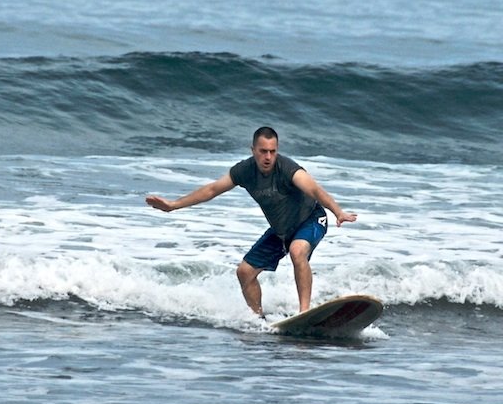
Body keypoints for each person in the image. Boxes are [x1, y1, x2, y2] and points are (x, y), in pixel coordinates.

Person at [145, 127, 356, 317]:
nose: (268, 157)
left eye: (272, 151)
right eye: (263, 151)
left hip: (310, 219)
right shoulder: (244, 171)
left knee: (297, 250)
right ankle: (258, 319)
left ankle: (304, 312)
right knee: (244, 272)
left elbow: (314, 190)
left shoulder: (288, 168)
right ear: (253, 149)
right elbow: (211, 190)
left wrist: (338, 212)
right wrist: (173, 205)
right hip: (281, 230)